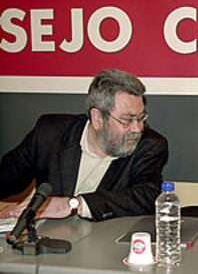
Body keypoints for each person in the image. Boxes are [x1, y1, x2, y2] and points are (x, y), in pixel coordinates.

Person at [0, 69, 168, 222]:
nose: (137, 128)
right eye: (127, 120)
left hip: (105, 245)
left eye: (141, 118)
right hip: (48, 241)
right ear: (97, 118)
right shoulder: (50, 133)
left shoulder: (150, 145)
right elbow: (6, 180)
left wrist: (74, 204)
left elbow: (146, 197)